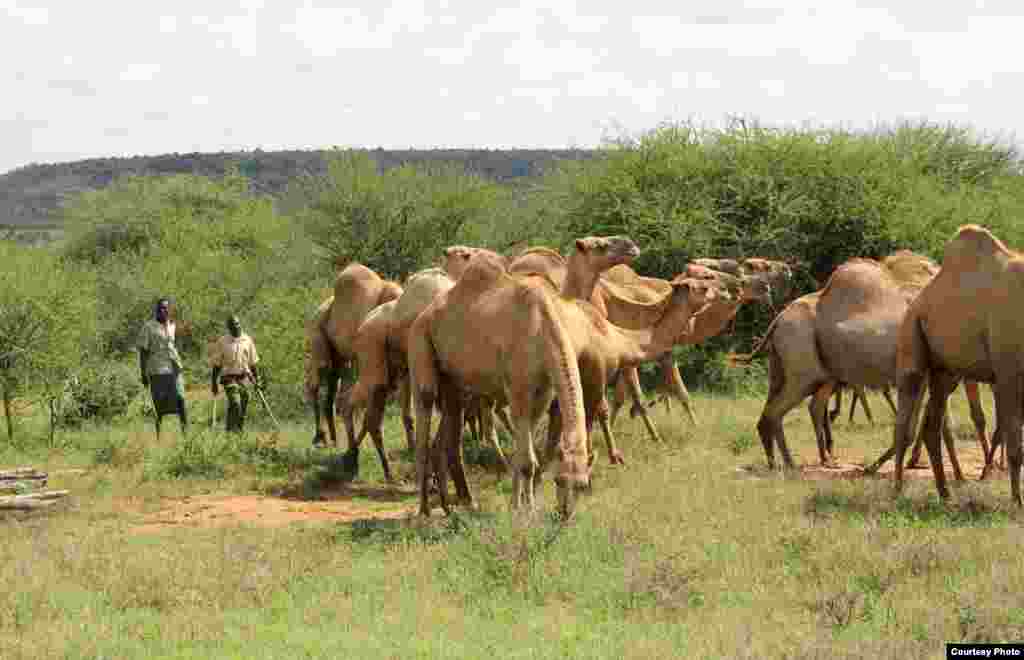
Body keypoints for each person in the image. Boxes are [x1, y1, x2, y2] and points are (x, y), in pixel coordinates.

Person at [137, 297, 188, 437]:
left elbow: (173, 345)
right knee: (159, 405)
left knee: (181, 399)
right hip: (157, 370)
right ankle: (159, 436)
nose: (163, 310)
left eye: (166, 308)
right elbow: (143, 352)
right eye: (160, 308)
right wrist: (143, 373)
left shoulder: (172, 325)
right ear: (156, 310)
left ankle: (186, 435)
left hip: (174, 369)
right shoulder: (148, 327)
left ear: (170, 310)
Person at [209, 315, 260, 433]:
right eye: (233, 325)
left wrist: (257, 379)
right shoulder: (222, 341)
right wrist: (214, 383)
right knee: (235, 402)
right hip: (228, 378)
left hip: (243, 378)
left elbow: (253, 362)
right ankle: (230, 430)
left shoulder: (247, 340)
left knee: (243, 403)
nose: (236, 327)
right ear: (228, 328)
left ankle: (239, 430)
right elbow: (217, 365)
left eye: (237, 324)